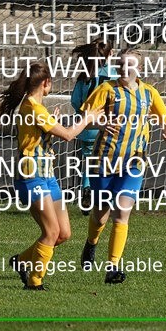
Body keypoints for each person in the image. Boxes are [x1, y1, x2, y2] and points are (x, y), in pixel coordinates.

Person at [0, 62, 103, 290]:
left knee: (63, 233)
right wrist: (87, 118)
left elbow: (43, 133)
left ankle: (21, 261)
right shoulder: (33, 109)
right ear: (46, 83)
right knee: (51, 232)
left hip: (48, 176)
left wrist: (52, 121)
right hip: (31, 176)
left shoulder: (37, 109)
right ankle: (34, 283)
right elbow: (67, 135)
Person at [79, 49, 166, 284]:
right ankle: (91, 243)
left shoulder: (149, 93)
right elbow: (85, 117)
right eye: (121, 64)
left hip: (134, 161)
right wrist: (101, 124)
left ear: (139, 69)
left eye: (129, 65)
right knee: (101, 214)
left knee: (121, 213)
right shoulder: (106, 89)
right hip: (103, 159)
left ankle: (112, 267)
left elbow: (165, 118)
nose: (124, 68)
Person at [70, 38, 115, 215]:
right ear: (110, 54)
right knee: (109, 163)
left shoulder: (84, 75)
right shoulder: (114, 76)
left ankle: (87, 189)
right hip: (106, 126)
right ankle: (104, 198)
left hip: (86, 127)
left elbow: (75, 101)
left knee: (89, 162)